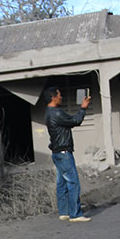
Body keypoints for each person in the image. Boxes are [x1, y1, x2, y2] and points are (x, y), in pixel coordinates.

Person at [44, 86, 92, 222]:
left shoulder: (48, 112)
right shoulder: (57, 113)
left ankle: (64, 212)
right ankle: (75, 214)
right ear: (53, 97)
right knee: (73, 183)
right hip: (64, 153)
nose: (61, 97)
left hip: (57, 153)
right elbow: (75, 121)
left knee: (62, 183)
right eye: (59, 95)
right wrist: (83, 108)